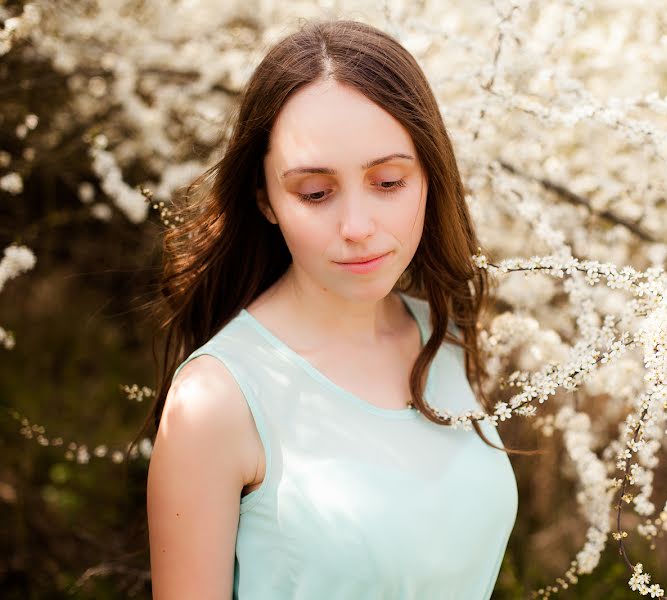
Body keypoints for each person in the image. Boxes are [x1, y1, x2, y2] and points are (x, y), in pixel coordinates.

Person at [143, 18, 534, 599]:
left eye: (389, 182)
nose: (356, 227)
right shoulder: (215, 401)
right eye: (316, 194)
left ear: (430, 177)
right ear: (266, 200)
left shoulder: (440, 334)